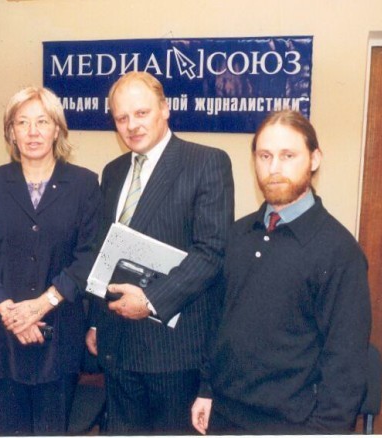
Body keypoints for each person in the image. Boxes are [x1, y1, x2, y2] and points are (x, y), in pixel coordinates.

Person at [191, 110, 371, 435]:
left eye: (288, 155)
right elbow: (217, 323)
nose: (274, 168)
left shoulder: (340, 251)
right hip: (225, 414)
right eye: (265, 156)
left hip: (292, 424)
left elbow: (345, 363)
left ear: (314, 159)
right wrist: (206, 389)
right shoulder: (238, 234)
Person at [85, 71, 234, 435]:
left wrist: (151, 301)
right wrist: (96, 320)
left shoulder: (206, 162)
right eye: (122, 118)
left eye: (142, 113)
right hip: (117, 345)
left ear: (165, 109)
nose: (132, 125)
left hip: (172, 352)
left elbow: (211, 252)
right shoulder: (113, 172)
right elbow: (107, 251)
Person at [0, 86, 101, 435]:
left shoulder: (84, 184)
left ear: (57, 129)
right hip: (0, 335)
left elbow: (89, 255)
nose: (33, 131)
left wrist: (41, 306)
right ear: (11, 132)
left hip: (58, 334)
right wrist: (12, 313)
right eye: (22, 122)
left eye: (42, 121)